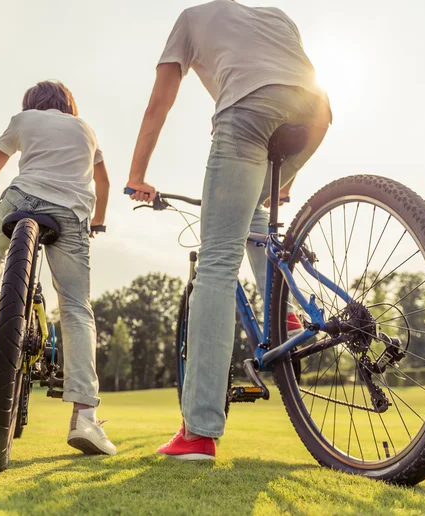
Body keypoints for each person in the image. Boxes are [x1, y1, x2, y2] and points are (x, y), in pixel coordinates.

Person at [126, 0, 332, 460]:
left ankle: (198, 431)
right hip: (315, 112)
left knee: (217, 263)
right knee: (255, 212)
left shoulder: (190, 18)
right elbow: (299, 84)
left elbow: (159, 103)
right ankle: (286, 313)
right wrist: (284, 183)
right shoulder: (276, 16)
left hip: (247, 114)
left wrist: (137, 175)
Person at [0, 80, 116, 455]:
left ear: (32, 103)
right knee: (77, 308)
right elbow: (104, 181)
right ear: (68, 104)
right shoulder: (86, 129)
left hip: (23, 198)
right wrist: (97, 222)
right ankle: (85, 417)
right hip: (71, 211)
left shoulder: (24, 119)